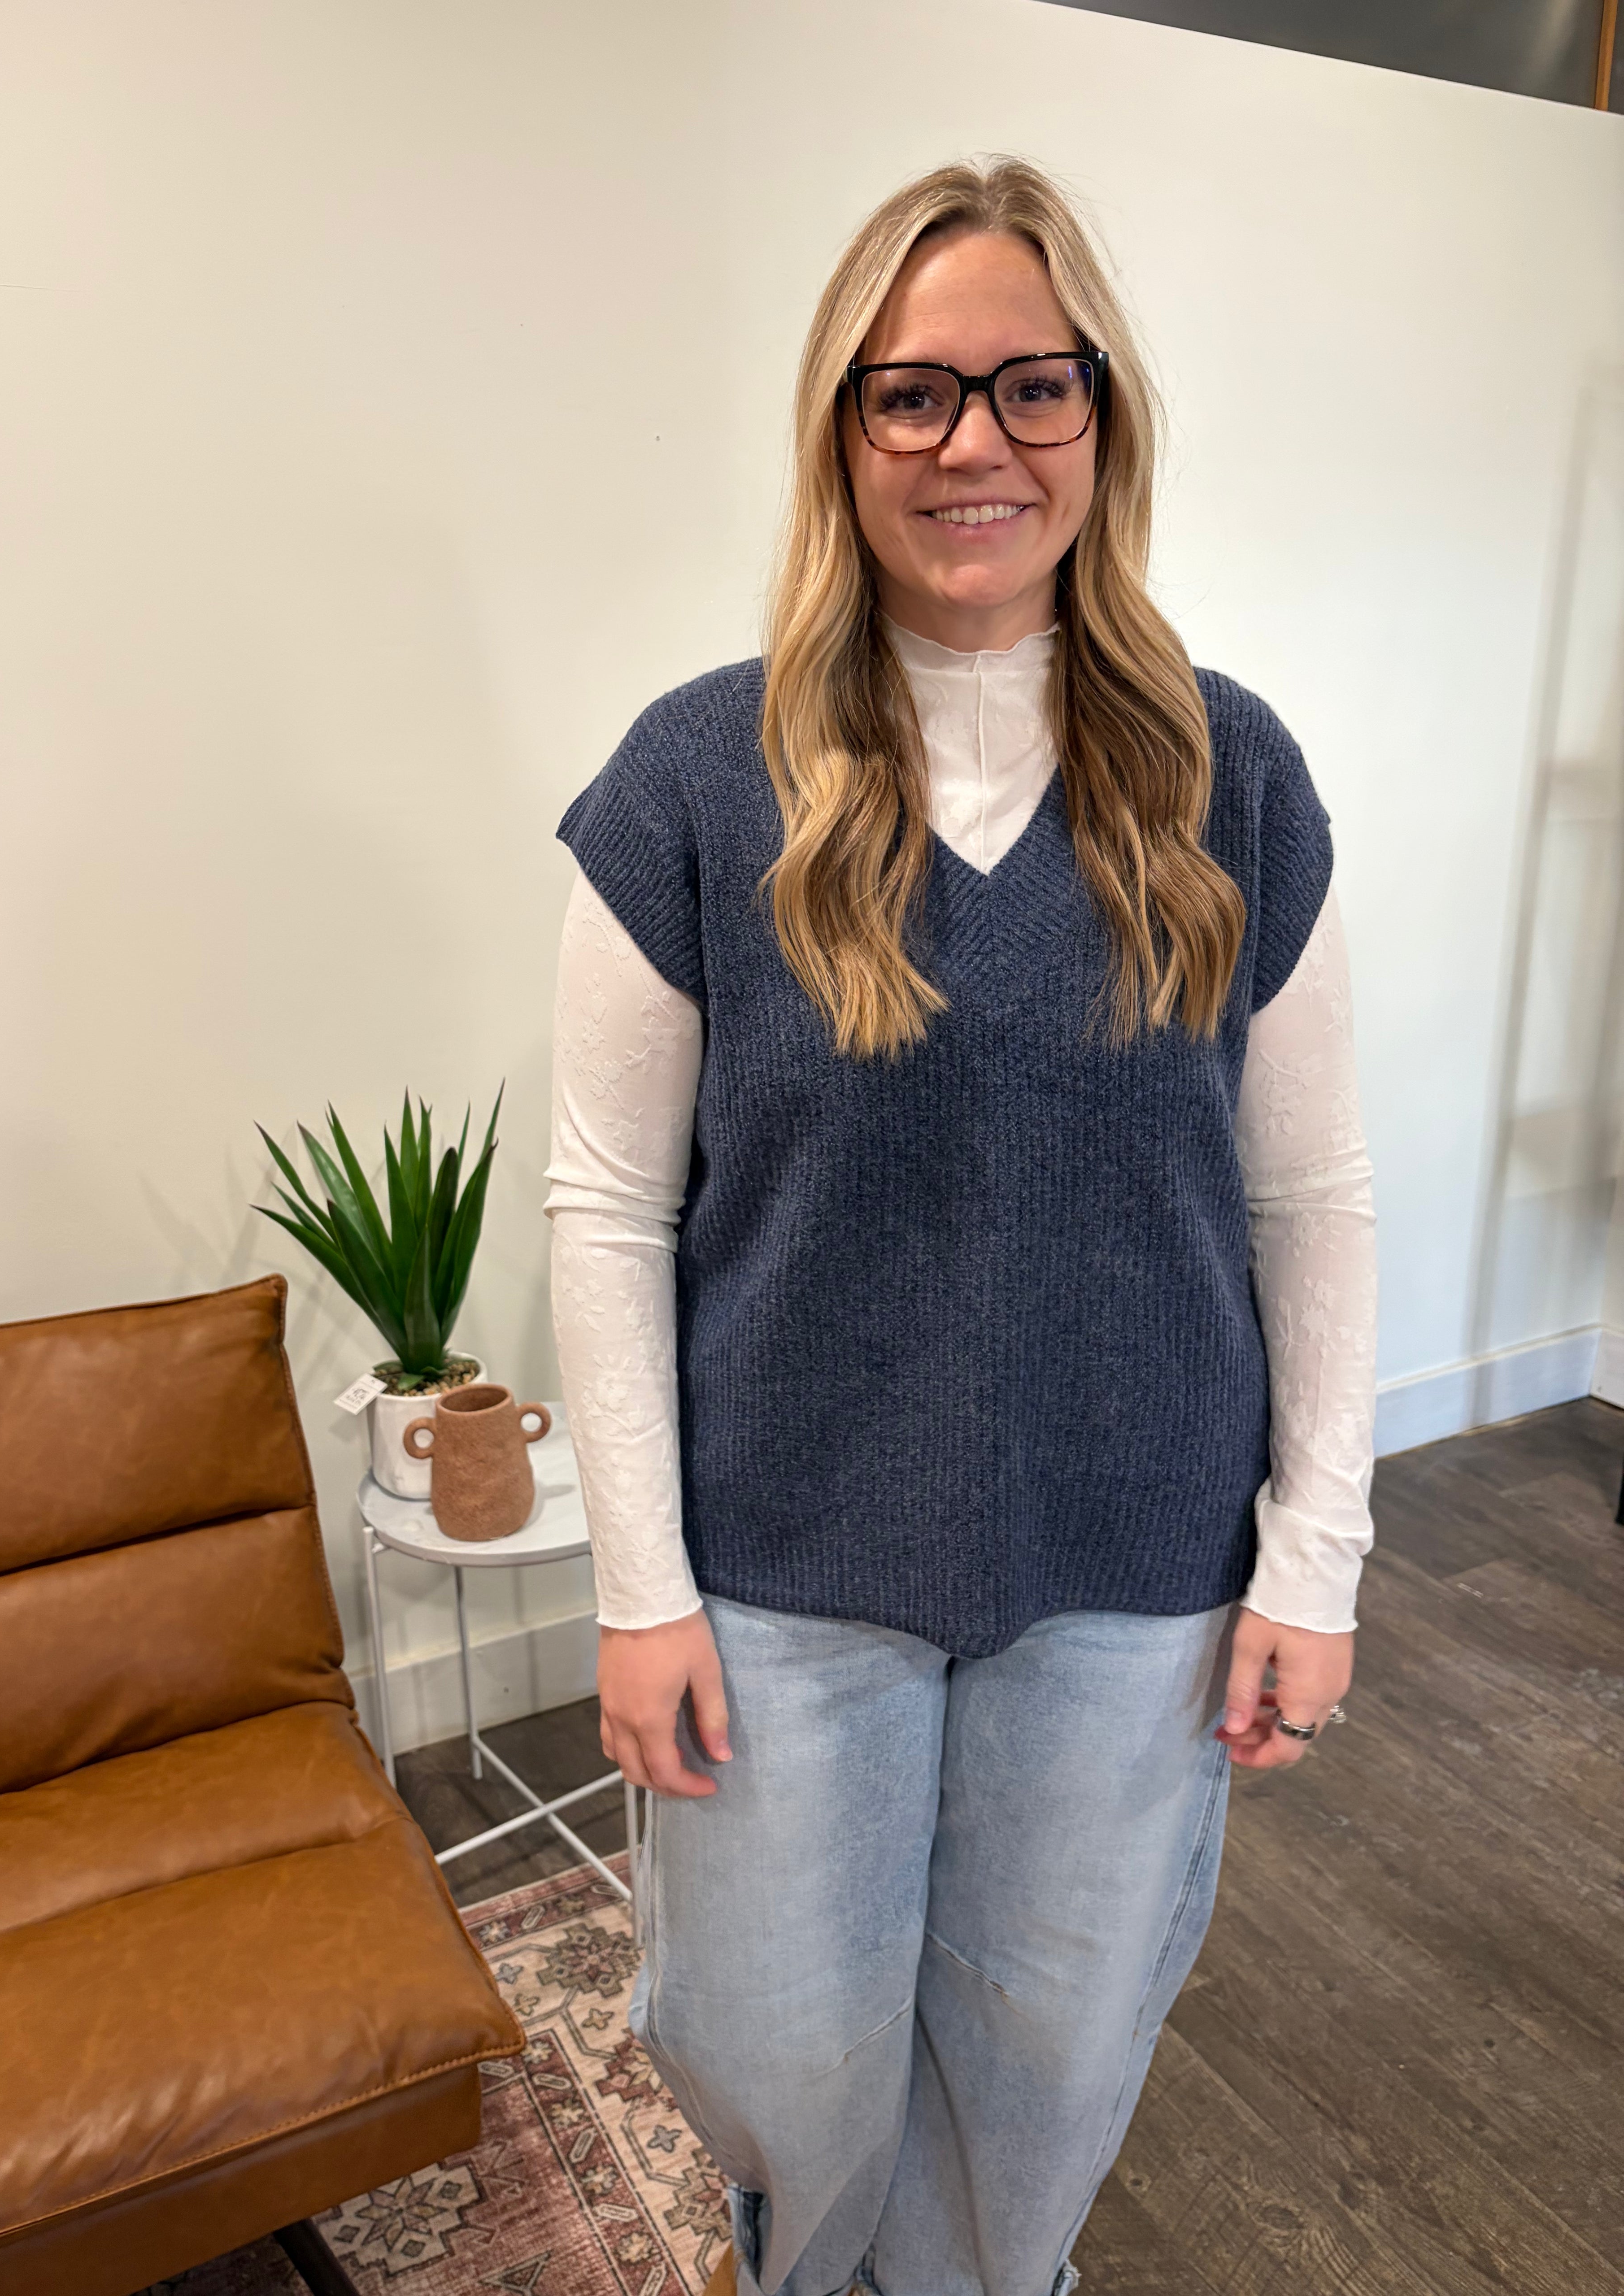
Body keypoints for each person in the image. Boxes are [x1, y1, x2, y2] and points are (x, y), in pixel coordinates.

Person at [543, 157, 1376, 2296]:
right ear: (841, 434)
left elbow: (1313, 1195)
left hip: (1129, 1570)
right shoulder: (695, 783)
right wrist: (640, 1588)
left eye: (1032, 386)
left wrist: (1317, 1551)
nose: (975, 443)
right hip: (787, 1572)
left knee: (1042, 2071)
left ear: (1105, 421)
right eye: (912, 394)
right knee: (786, 2067)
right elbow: (608, 1208)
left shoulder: (1233, 776)